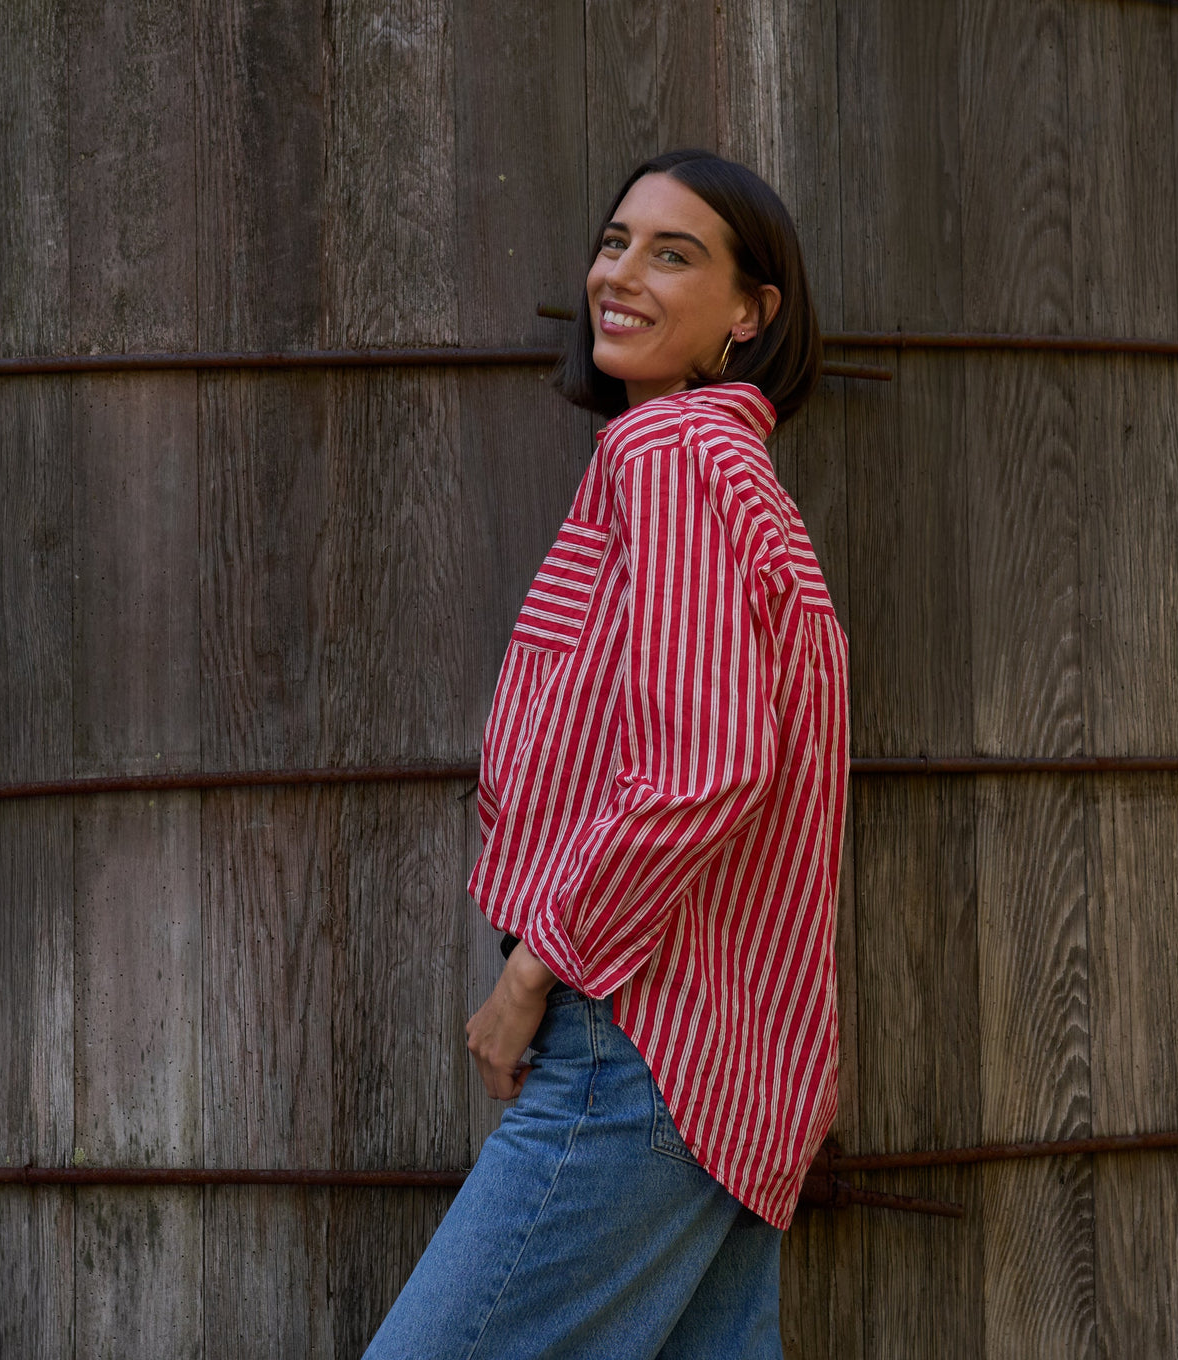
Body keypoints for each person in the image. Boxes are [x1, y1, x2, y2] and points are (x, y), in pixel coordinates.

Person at [362, 148, 850, 1360]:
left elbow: (706, 765)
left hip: (637, 1047)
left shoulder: (672, 460)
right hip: (730, 1066)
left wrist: (535, 971)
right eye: (614, 242)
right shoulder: (739, 479)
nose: (618, 274)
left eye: (671, 254)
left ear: (750, 314)